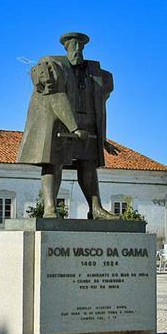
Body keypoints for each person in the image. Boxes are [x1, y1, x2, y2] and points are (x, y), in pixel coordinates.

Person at [17, 32, 118, 219]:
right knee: (53, 162)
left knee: (88, 165)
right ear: (66, 47)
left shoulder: (97, 73)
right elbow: (57, 98)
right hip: (58, 123)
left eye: (81, 46)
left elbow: (101, 106)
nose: (77, 49)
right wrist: (74, 128)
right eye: (73, 45)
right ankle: (50, 208)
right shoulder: (52, 65)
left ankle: (95, 208)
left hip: (87, 123)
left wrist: (102, 139)